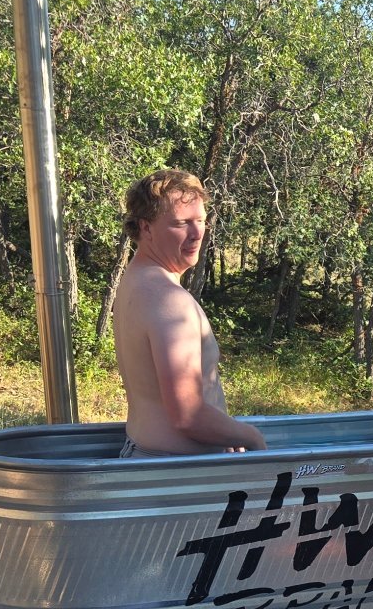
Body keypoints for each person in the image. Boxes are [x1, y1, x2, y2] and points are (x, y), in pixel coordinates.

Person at [112, 169, 267, 456]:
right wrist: (252, 436)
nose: (197, 233)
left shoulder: (136, 281)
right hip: (175, 475)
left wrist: (223, 430)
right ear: (145, 228)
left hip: (145, 455)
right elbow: (188, 416)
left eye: (200, 221)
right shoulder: (169, 301)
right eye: (182, 223)